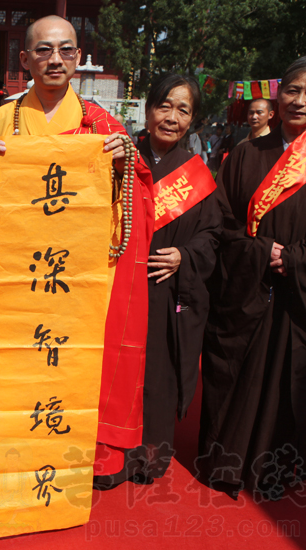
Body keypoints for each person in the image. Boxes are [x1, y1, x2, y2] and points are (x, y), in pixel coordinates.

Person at [0, 14, 154, 493]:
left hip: (76, 276)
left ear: (78, 58)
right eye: (44, 50)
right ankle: (9, 454)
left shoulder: (102, 124)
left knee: (70, 363)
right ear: (25, 59)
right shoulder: (2, 120)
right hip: (18, 271)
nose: (55, 59)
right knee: (15, 361)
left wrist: (122, 165)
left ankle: (81, 454)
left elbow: (132, 203)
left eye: (66, 50)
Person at [200, 55, 306, 498]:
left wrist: (299, 258)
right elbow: (221, 220)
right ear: (277, 93)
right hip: (248, 287)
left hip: (302, 297)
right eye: (292, 90)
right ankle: (225, 462)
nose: (299, 101)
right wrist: (261, 250)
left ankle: (277, 470)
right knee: (235, 372)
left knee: (292, 380)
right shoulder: (245, 154)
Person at [101, 74, 221, 486]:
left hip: (164, 291)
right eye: (164, 106)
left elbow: (215, 234)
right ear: (148, 110)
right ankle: (109, 458)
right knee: (113, 372)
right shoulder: (119, 158)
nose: (171, 117)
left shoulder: (196, 173)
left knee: (157, 376)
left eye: (183, 110)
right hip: (115, 288)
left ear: (193, 120)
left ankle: (147, 456)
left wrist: (184, 255)